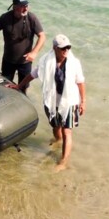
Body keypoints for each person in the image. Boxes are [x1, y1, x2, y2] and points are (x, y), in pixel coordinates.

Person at [16, 34, 86, 171]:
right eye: (63, 48)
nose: (66, 50)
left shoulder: (74, 63)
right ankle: (58, 142)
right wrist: (19, 86)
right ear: (55, 48)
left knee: (67, 131)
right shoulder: (46, 62)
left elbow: (81, 82)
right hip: (52, 100)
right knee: (56, 127)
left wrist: (83, 102)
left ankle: (63, 161)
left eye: (68, 47)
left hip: (70, 101)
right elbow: (33, 75)